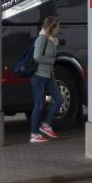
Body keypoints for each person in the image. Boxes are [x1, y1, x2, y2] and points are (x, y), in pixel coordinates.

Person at [29, 16, 64, 144]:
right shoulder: (42, 38)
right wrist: (52, 61)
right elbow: (37, 56)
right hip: (38, 76)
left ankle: (46, 125)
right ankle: (34, 134)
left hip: (48, 76)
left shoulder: (52, 40)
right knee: (39, 105)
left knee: (59, 99)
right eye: (58, 27)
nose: (59, 29)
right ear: (52, 27)